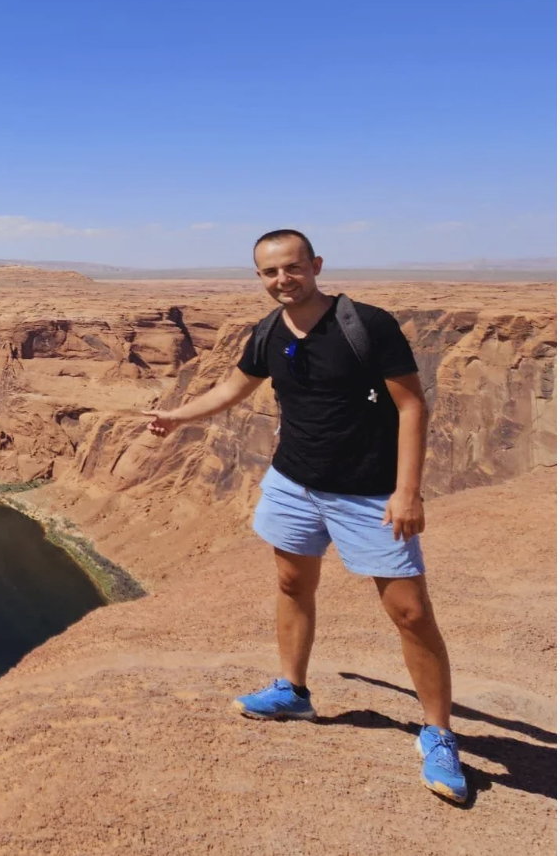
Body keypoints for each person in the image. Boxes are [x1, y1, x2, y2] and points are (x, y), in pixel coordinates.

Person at [143, 229, 467, 804]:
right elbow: (232, 389)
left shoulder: (367, 325)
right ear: (259, 277)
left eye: (292, 268)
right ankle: (294, 690)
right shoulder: (267, 331)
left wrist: (407, 491)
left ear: (316, 265)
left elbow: (412, 404)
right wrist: (176, 417)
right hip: (293, 481)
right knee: (293, 582)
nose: (282, 281)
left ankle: (439, 733)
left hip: (368, 493)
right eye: (269, 273)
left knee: (410, 612)